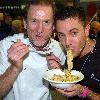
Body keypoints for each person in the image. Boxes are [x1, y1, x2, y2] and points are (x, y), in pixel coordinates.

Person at [0, 0, 66, 100]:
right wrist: (14, 67)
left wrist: (57, 74)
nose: (40, 29)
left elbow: (58, 89)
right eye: (34, 21)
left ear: (53, 26)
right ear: (25, 23)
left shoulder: (59, 49)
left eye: (46, 22)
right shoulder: (6, 45)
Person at [54, 7, 100, 100]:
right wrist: (59, 70)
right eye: (61, 35)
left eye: (73, 33)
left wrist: (84, 91)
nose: (67, 42)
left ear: (86, 30)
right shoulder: (71, 51)